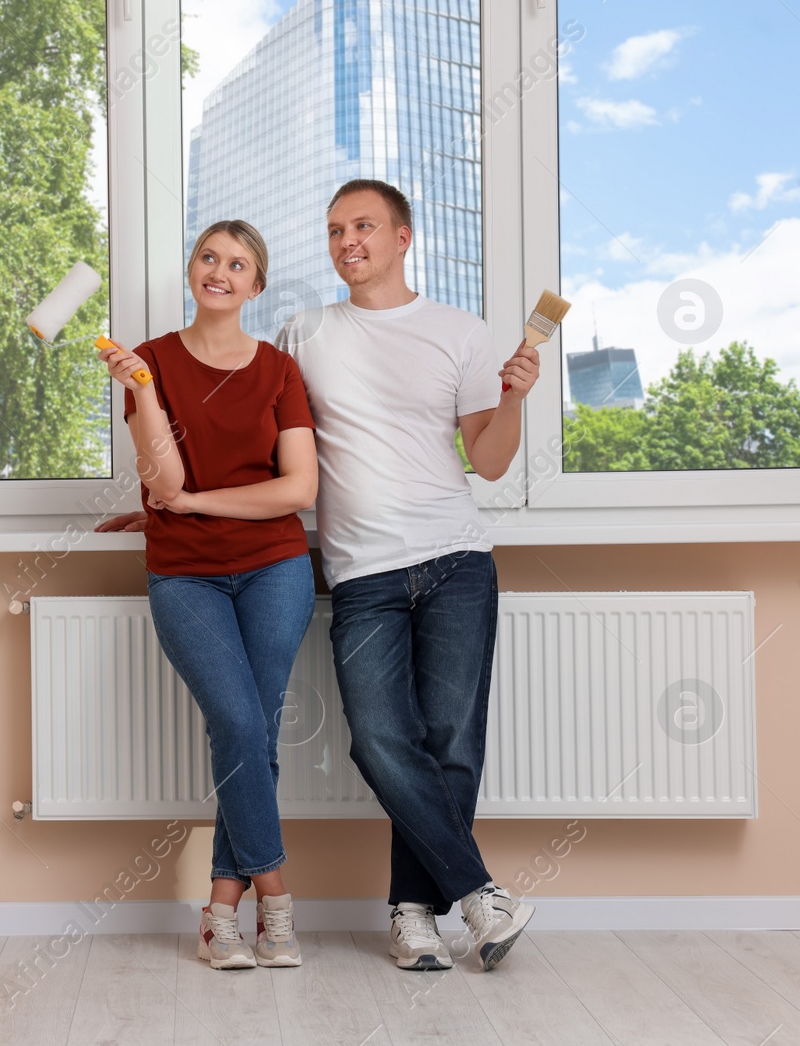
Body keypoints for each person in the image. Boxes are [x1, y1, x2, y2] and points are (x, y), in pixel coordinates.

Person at [102, 182, 544, 973]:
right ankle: (477, 892)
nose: (347, 241)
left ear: (404, 236)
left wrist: (512, 397)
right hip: (361, 566)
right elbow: (241, 436)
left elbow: (489, 458)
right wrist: (168, 509)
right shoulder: (303, 335)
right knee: (378, 739)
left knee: (451, 744)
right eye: (336, 229)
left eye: (364, 226)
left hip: (456, 557)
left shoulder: (461, 332)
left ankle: (414, 915)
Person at [96, 219, 319, 970]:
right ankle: (276, 898)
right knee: (238, 718)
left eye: (238, 263)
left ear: (256, 285)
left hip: (275, 566)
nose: (219, 271)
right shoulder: (149, 361)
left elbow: (299, 488)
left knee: (256, 726)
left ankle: (222, 910)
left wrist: (202, 503)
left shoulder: (281, 370)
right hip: (183, 573)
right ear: (192, 270)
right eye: (208, 258)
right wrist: (143, 393)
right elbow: (164, 481)